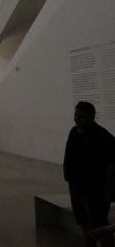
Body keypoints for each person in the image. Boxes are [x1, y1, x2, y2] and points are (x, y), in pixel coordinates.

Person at [64, 101, 115, 247]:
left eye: (81, 116)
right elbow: (69, 156)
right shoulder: (73, 132)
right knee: (83, 222)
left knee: (99, 224)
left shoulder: (102, 136)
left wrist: (109, 187)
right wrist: (68, 176)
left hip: (96, 190)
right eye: (76, 115)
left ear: (91, 117)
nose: (76, 119)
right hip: (76, 187)